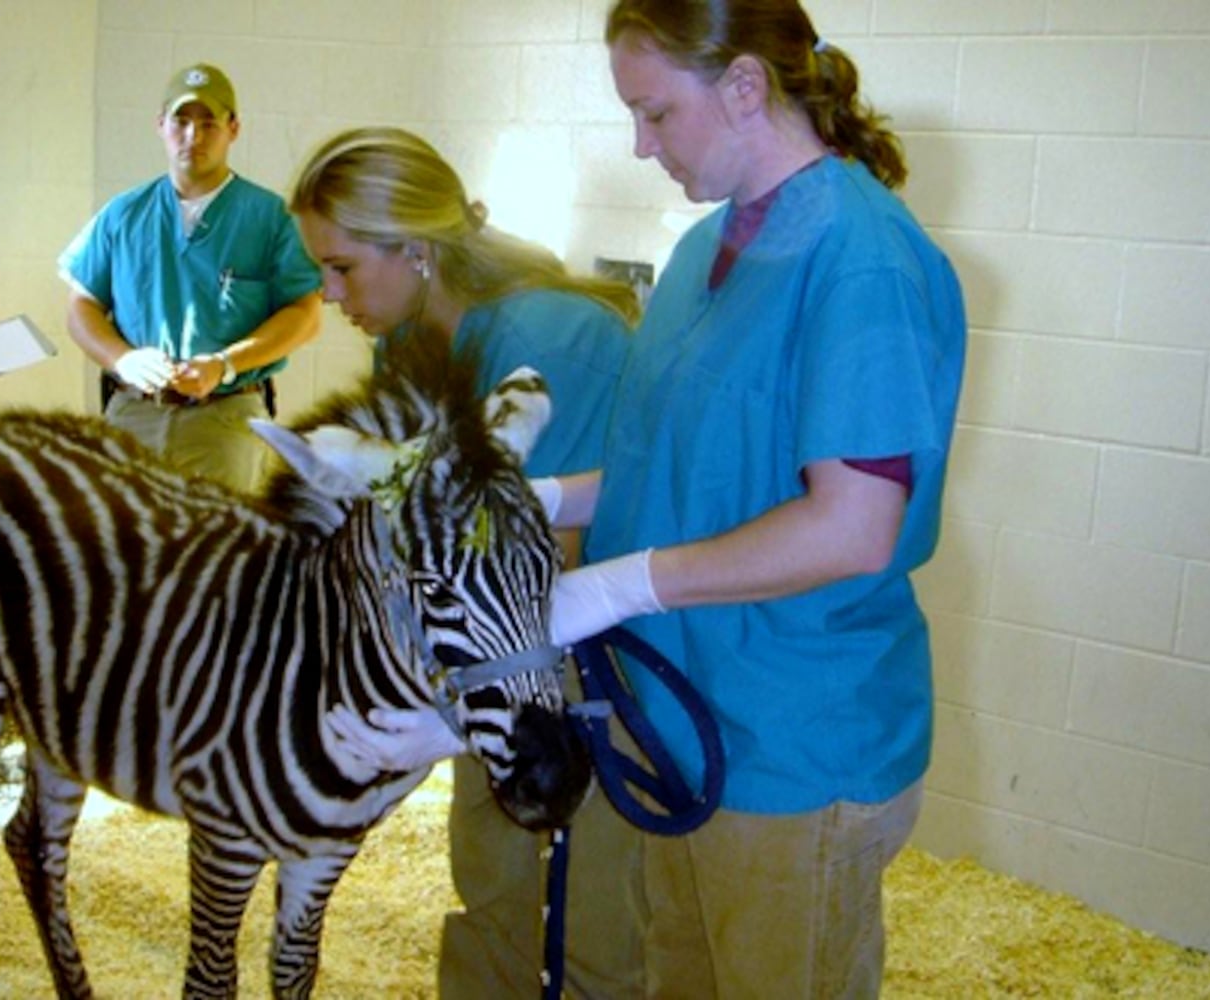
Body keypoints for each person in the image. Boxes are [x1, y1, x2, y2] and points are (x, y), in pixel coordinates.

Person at [336, 1, 968, 995]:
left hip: (791, 738)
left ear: (747, 86)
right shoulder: (702, 253)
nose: (640, 144)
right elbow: (673, 469)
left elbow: (852, 526)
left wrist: (623, 585)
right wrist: (536, 499)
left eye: (657, 113)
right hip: (674, 720)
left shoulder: (863, 262)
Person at [290, 127, 647, 1000]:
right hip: (488, 668)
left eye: (339, 267)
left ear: (413, 251)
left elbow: (535, 569)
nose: (327, 292)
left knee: (594, 920)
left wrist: (451, 716)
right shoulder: (410, 346)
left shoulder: (546, 334)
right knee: (489, 876)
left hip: (594, 653)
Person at [59, 62, 322, 493]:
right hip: (133, 417)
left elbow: (305, 314)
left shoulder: (269, 217)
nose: (192, 137)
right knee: (124, 548)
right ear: (160, 126)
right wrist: (123, 359)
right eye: (181, 122)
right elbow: (80, 307)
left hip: (225, 419)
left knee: (221, 550)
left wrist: (224, 364)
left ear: (233, 129)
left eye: (208, 124)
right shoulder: (123, 215)